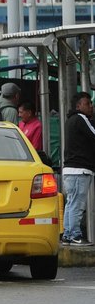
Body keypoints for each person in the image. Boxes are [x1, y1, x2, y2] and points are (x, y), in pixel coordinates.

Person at [62, 92, 95, 246]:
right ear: (78, 106)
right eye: (87, 103)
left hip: (69, 169)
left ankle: (68, 234)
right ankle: (75, 235)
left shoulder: (70, 120)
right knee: (77, 204)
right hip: (80, 169)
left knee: (71, 203)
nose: (91, 107)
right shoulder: (82, 119)